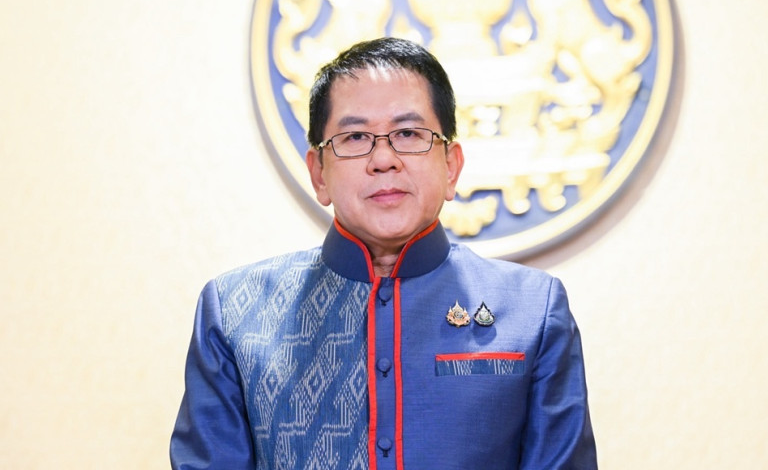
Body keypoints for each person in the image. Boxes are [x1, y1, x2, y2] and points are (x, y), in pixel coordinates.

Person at [170, 37, 597, 469]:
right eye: (355, 137)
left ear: (451, 166)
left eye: (408, 133)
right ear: (319, 174)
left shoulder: (533, 310)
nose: (384, 159)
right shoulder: (237, 312)